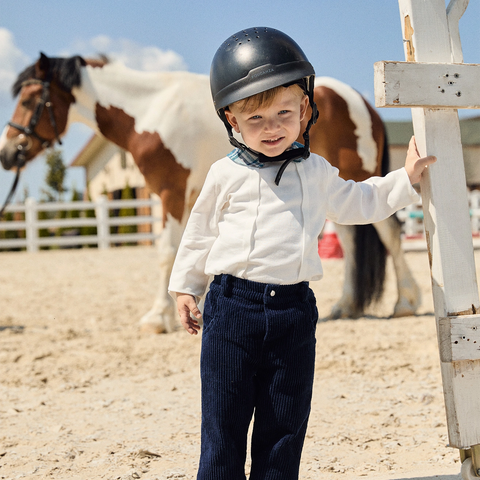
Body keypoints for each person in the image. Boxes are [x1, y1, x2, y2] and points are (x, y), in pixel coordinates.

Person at [168, 27, 435, 480]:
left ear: (305, 110)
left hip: (294, 314)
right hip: (231, 310)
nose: (271, 128)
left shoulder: (315, 171)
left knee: (284, 430)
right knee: (223, 429)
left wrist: (405, 180)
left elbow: (359, 201)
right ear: (231, 120)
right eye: (255, 119)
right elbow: (199, 232)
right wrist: (185, 288)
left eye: (283, 113)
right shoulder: (223, 174)